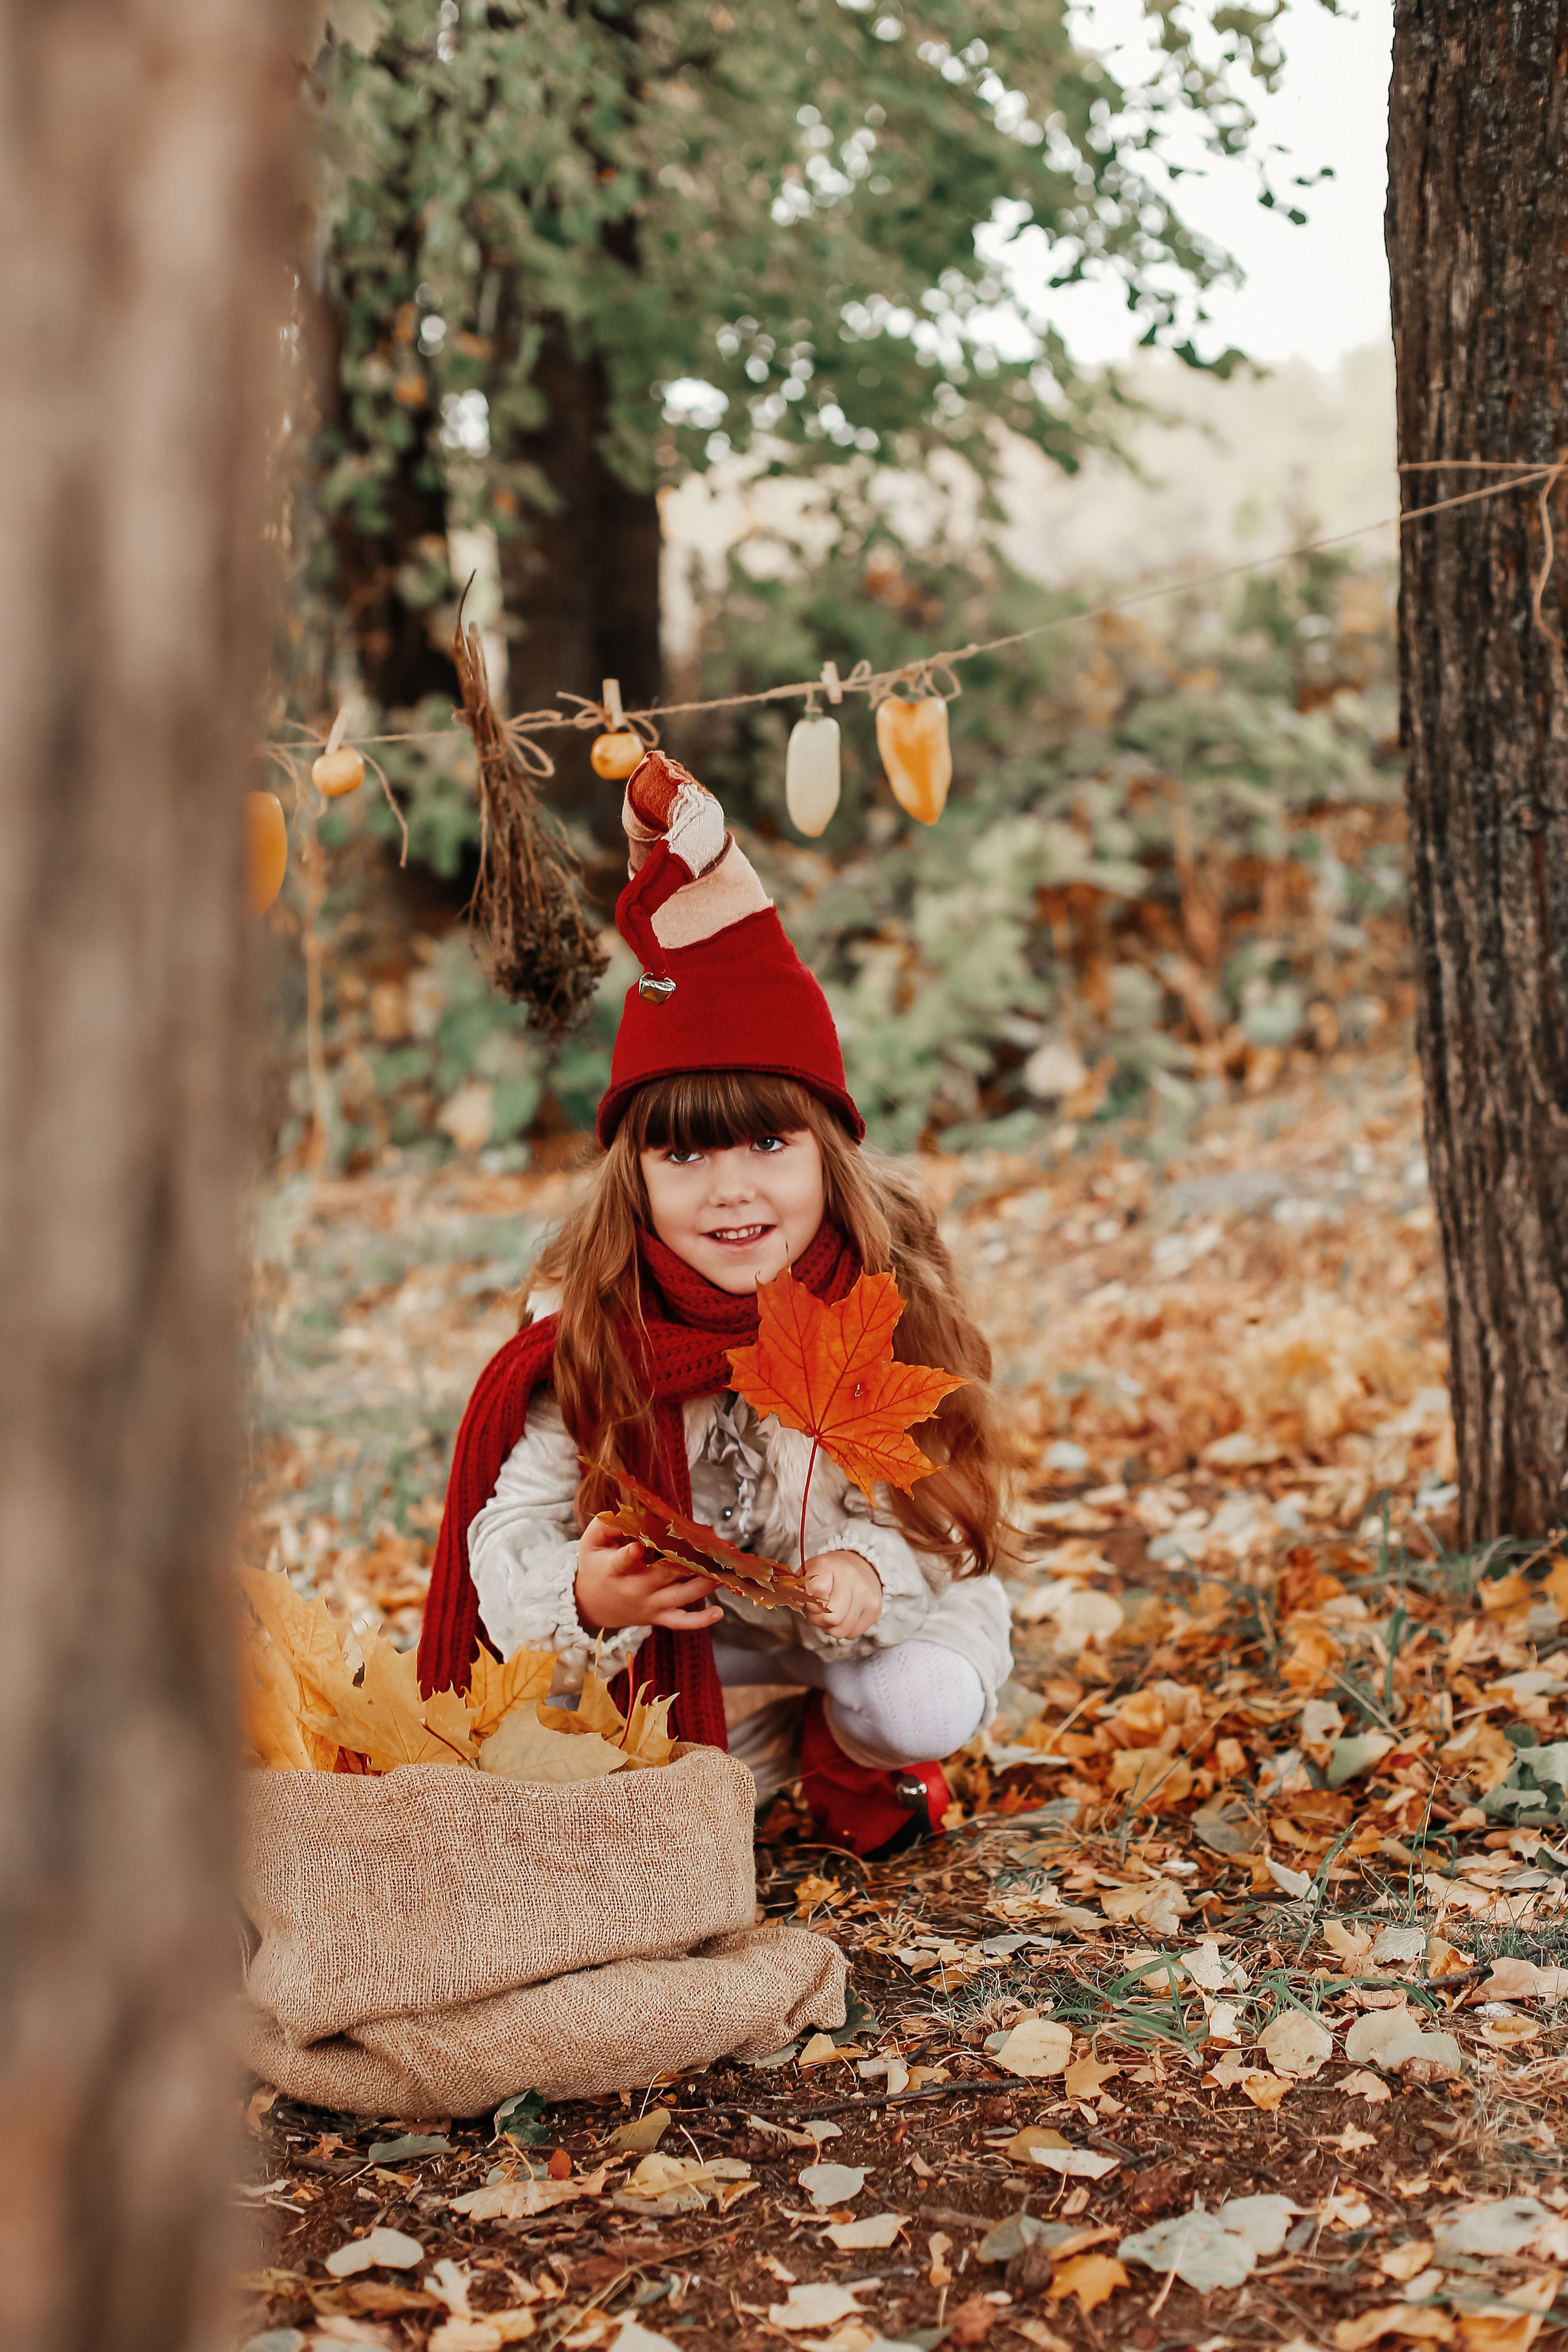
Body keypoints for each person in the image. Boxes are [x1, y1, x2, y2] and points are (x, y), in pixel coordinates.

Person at [418, 748, 1012, 1857]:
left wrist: (868, 1573)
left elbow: (945, 1512)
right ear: (632, 1173)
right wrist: (586, 1596)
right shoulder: (599, 1334)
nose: (732, 1187)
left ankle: (851, 1745)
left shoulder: (881, 1303)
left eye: (768, 1141)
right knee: (611, 1779)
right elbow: (505, 1527)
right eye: (684, 1154)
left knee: (911, 1705)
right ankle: (748, 1752)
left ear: (829, 1151)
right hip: (698, 1639)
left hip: (882, 1624)